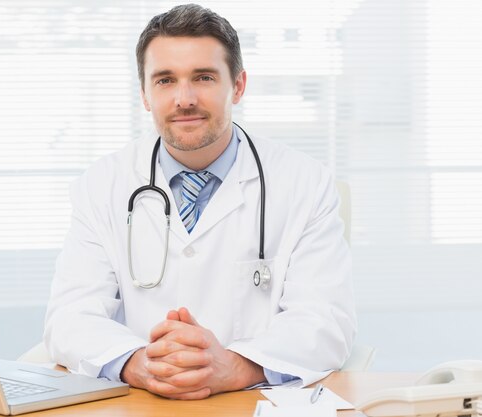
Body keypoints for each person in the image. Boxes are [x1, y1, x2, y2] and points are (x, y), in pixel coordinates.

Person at [44, 3, 356, 400]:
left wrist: (234, 367)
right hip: (141, 403)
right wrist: (140, 363)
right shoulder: (101, 184)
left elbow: (325, 320)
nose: (184, 98)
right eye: (165, 81)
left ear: (238, 86)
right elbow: (70, 317)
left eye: (204, 77)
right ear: (144, 94)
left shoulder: (305, 182)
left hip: (252, 402)